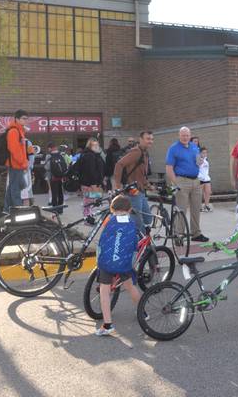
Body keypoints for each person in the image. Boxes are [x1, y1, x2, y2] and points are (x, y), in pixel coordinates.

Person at [94, 194, 143, 337]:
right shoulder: (132, 222)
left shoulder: (109, 220)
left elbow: (101, 238)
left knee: (104, 291)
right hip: (124, 263)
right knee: (129, 286)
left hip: (106, 262)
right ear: (129, 210)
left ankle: (107, 324)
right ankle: (142, 312)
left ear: (112, 209)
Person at [166, 127, 207, 242]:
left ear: (190, 136)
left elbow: (198, 162)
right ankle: (178, 235)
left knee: (196, 208)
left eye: (187, 135)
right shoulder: (173, 148)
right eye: (183, 135)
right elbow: (169, 168)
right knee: (181, 209)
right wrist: (176, 183)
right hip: (181, 181)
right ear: (179, 135)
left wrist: (201, 159)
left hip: (196, 181)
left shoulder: (194, 147)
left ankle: (196, 233)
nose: (185, 137)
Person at [112, 131, 154, 228]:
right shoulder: (136, 152)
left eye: (152, 139)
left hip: (141, 190)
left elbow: (141, 174)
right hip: (133, 192)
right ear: (141, 140)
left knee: (148, 219)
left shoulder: (145, 153)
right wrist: (117, 186)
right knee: (137, 222)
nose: (150, 141)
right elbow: (119, 164)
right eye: (148, 139)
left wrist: (148, 185)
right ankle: (139, 241)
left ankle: (142, 237)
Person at [73, 138, 107, 220]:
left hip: (93, 183)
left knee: (92, 201)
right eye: (94, 145)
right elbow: (90, 171)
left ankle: (89, 217)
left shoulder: (95, 154)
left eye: (97, 145)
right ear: (89, 146)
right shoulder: (89, 155)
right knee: (89, 202)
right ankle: (87, 219)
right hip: (89, 184)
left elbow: (99, 169)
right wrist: (94, 185)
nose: (96, 146)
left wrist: (102, 180)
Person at [3, 109, 29, 212]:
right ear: (17, 119)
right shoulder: (14, 131)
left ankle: (7, 209)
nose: (25, 121)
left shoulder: (19, 131)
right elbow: (14, 150)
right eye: (23, 118)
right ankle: (17, 210)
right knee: (16, 188)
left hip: (17, 165)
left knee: (14, 186)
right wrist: (23, 163)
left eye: (27, 119)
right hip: (16, 165)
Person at [44, 142, 65, 214]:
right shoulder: (61, 155)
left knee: (54, 193)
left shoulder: (49, 156)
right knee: (60, 193)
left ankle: (55, 209)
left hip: (53, 177)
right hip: (61, 177)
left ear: (50, 148)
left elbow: (46, 167)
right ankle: (61, 209)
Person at [19, 140, 36, 206]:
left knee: (26, 194)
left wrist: (27, 168)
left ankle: (26, 211)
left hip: (25, 172)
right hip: (15, 171)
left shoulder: (27, 143)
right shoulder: (11, 141)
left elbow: (31, 158)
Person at [198, 146, 212, 212]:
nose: (204, 154)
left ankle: (206, 205)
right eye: (203, 153)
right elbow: (198, 166)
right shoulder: (198, 159)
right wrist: (201, 159)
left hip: (206, 178)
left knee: (208, 192)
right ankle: (199, 206)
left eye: (206, 152)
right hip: (200, 178)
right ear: (200, 153)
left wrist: (204, 158)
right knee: (200, 193)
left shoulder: (206, 159)